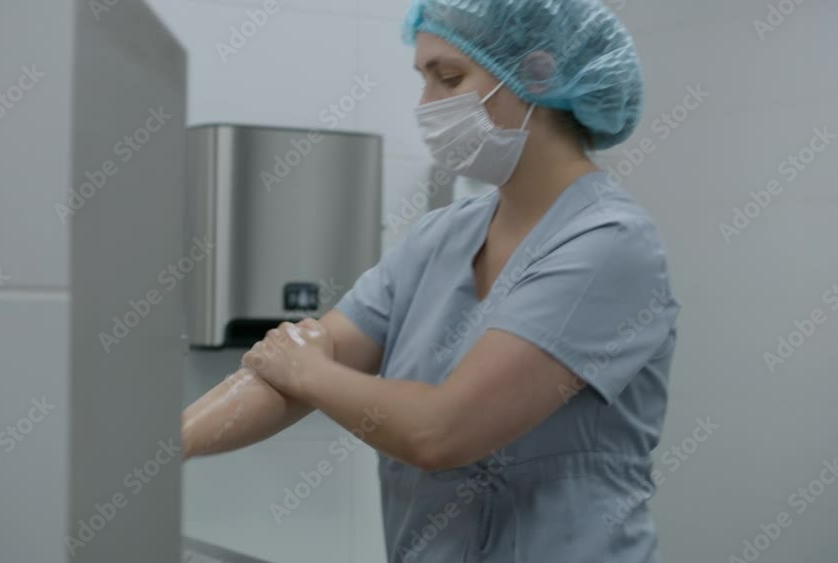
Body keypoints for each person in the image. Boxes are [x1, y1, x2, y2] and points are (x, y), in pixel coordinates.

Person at [182, 0, 681, 561]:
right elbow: (293, 369)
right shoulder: (440, 238)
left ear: (540, 73)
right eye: (423, 80)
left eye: (449, 78)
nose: (426, 106)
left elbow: (439, 432)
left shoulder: (610, 244)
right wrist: (159, 448)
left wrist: (306, 368)